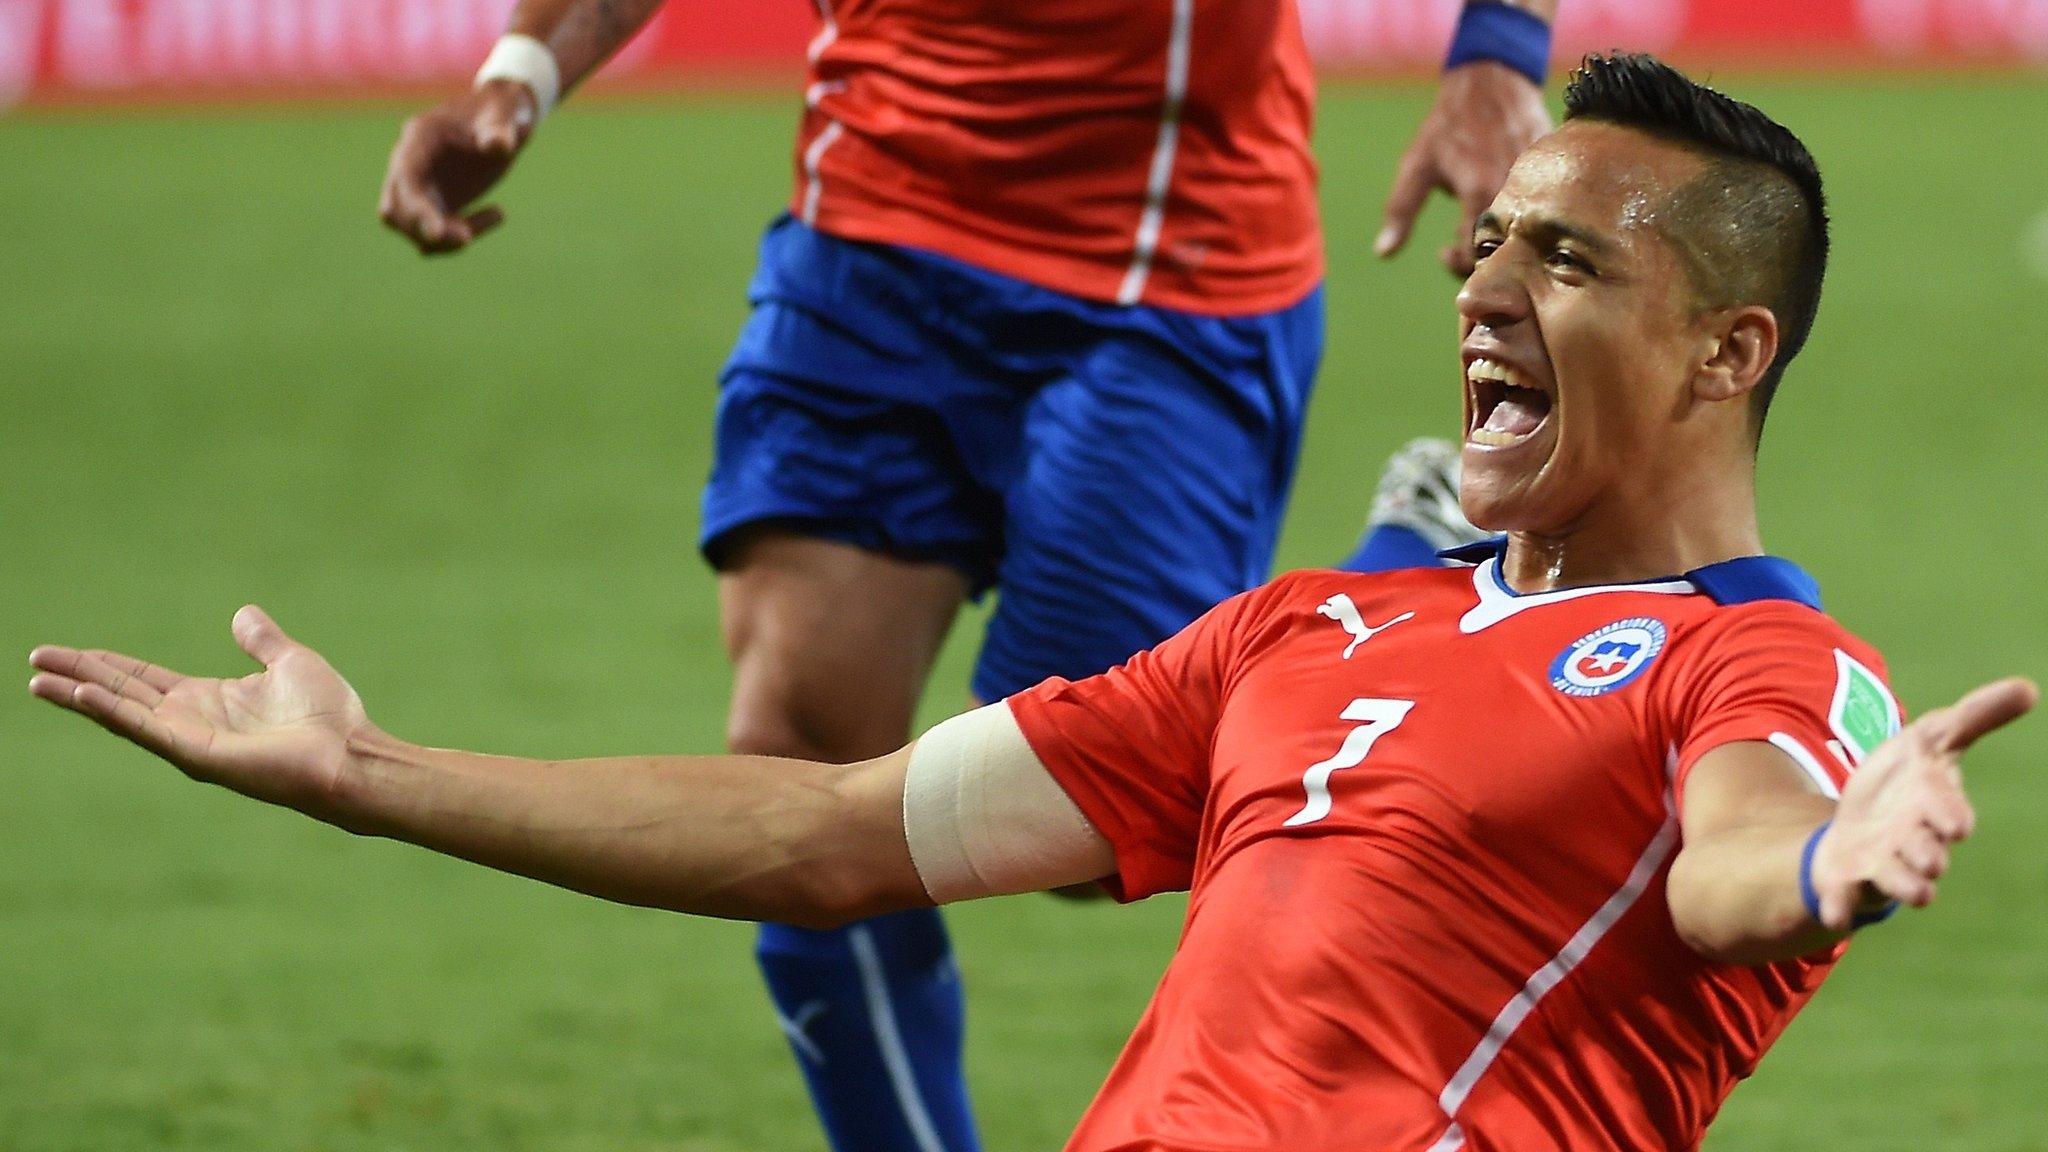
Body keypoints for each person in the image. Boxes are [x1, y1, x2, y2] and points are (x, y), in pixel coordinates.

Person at [47, 51, 2020, 1150]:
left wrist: (1839, 863)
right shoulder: (1308, 632)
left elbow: (1735, 860)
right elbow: (825, 832)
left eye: (1567, 261)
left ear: (1723, 353)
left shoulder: (1765, 662)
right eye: (1480, 246)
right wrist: (361, 769)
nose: (1481, 289)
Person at [375, 1, 1551, 1146]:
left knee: (1094, 818)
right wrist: (515, 82)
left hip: (1166, 265)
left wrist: (1494, 50)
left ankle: (1404, 549)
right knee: (798, 744)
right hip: (869, 244)